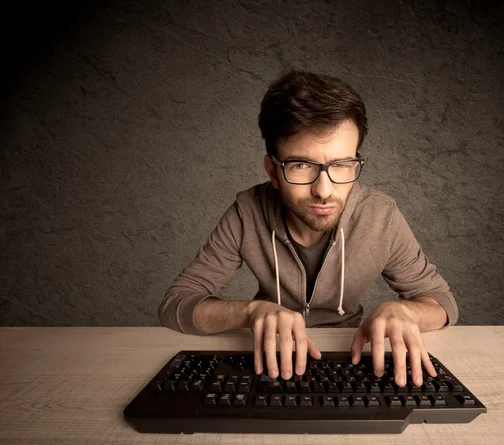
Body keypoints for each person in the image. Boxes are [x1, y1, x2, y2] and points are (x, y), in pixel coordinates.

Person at [158, 69, 459, 389]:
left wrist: (405, 313)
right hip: (269, 360)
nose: (324, 190)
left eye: (342, 165)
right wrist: (252, 311)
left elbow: (442, 303)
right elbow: (176, 305)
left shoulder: (380, 216)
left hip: (348, 359)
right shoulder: (247, 212)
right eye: (301, 165)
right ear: (273, 171)